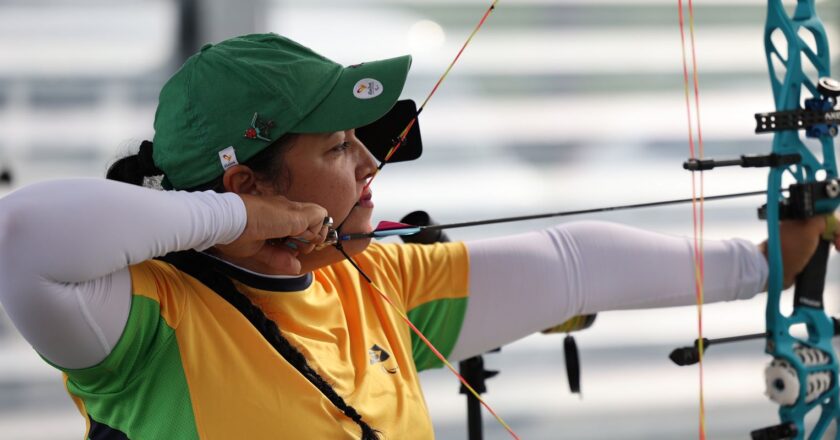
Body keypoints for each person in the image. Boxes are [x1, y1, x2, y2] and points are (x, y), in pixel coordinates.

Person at [0, 33, 835, 440]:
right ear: (244, 182)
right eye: (335, 146)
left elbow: (573, 265)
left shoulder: (376, 284)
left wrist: (764, 264)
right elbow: (25, 233)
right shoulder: (148, 321)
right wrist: (245, 223)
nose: (370, 161)